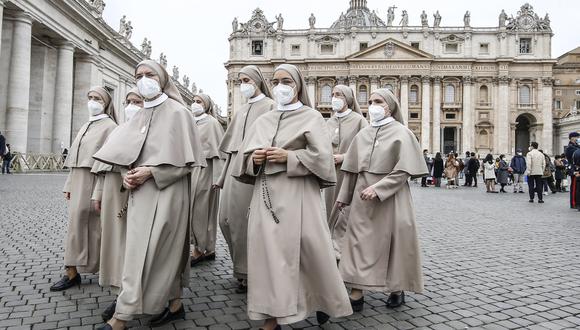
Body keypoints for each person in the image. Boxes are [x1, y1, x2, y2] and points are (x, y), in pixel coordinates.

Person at [231, 64, 352, 329]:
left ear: (298, 85)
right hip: (265, 196)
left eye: (286, 81)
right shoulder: (263, 120)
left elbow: (323, 160)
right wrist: (255, 158)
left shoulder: (312, 117)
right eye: (275, 82)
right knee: (268, 255)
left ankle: (322, 299)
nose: (280, 87)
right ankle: (272, 315)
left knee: (310, 251)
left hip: (299, 195)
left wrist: (290, 157)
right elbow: (243, 159)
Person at [93, 60, 205, 330]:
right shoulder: (140, 115)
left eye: (150, 74)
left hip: (169, 192)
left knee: (162, 251)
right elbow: (123, 155)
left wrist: (152, 172)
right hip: (140, 194)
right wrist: (126, 175)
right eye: (139, 76)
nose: (144, 80)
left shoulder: (179, 113)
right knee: (138, 252)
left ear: (163, 78)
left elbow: (186, 162)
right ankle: (173, 304)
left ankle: (122, 316)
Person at [336, 88, 428, 312]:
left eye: (378, 101)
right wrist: (343, 197)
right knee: (358, 242)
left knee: (394, 243)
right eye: (370, 101)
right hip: (361, 197)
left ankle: (396, 289)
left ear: (390, 106)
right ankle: (357, 291)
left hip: (392, 197)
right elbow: (351, 169)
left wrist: (379, 188)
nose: (372, 105)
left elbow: (404, 170)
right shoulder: (363, 134)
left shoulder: (402, 133)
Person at [49, 87, 118, 292]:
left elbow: (106, 162)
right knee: (76, 224)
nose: (92, 101)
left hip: (94, 179)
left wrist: (99, 189)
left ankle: (86, 267)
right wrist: (69, 184)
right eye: (90, 97)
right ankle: (73, 269)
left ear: (105, 102)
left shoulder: (110, 127)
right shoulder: (87, 123)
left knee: (92, 226)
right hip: (79, 179)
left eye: (97, 98)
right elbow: (76, 160)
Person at [216, 65, 276, 294]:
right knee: (226, 220)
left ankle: (249, 273)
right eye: (240, 80)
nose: (242, 84)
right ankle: (240, 267)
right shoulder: (241, 110)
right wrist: (221, 178)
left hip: (253, 171)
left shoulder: (270, 107)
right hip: (233, 170)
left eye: (246, 80)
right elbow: (231, 149)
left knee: (245, 222)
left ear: (258, 81)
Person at [91, 88, 143, 322]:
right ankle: (118, 292)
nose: (131, 106)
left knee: (130, 245)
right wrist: (97, 193)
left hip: (134, 191)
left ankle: (128, 295)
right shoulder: (118, 130)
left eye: (137, 102)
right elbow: (103, 169)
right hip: (112, 192)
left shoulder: (149, 130)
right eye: (128, 101)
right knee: (113, 244)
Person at [325, 84, 368, 260]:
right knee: (330, 211)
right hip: (330, 176)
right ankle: (332, 251)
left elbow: (367, 147)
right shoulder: (328, 121)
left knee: (347, 214)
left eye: (339, 95)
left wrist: (344, 157)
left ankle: (344, 252)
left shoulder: (359, 120)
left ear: (348, 99)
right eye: (333, 94)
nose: (334, 97)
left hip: (351, 174)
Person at [189, 93, 225, 266]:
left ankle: (199, 249)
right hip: (190, 170)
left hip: (206, 171)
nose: (195, 104)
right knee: (195, 210)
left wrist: (218, 178)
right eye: (193, 101)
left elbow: (218, 152)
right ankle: (208, 248)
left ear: (207, 105)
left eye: (199, 102)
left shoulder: (212, 123)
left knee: (201, 211)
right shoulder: (190, 121)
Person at [565, 132, 580, 208]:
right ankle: (574, 203)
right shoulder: (570, 147)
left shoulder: (576, 146)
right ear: (572, 138)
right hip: (574, 169)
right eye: (577, 137)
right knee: (574, 187)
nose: (578, 138)